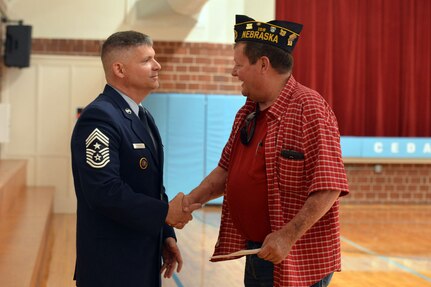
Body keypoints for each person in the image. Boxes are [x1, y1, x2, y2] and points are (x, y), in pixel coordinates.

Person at [183, 15, 349, 287]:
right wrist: (190, 201)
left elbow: (329, 186)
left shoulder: (311, 109)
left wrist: (287, 235)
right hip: (260, 251)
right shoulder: (247, 112)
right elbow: (226, 171)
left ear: (263, 64)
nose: (233, 72)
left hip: (297, 257)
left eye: (238, 65)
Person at [70, 30, 200, 287]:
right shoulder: (99, 118)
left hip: (144, 260)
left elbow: (152, 185)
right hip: (111, 267)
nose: (157, 65)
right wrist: (164, 213)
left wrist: (166, 235)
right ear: (120, 69)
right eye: (146, 60)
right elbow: (104, 192)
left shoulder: (143, 116)